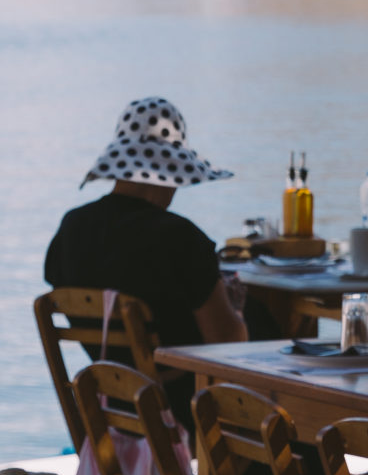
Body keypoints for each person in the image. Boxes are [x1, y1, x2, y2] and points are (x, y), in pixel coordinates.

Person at [45, 96, 246, 426]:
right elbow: (230, 348)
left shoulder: (71, 228)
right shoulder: (181, 238)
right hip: (181, 412)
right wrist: (235, 306)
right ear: (169, 171)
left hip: (109, 409)